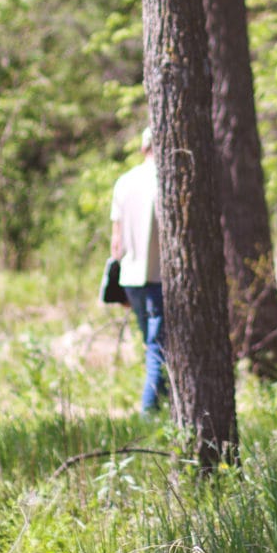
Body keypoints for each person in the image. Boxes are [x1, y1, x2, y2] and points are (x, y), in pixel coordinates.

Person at [109, 127, 165, 414]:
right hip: (158, 278)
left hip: (131, 279)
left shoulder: (124, 182)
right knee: (159, 349)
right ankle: (149, 412)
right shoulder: (165, 182)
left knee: (153, 346)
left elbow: (115, 244)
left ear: (144, 148)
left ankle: (164, 407)